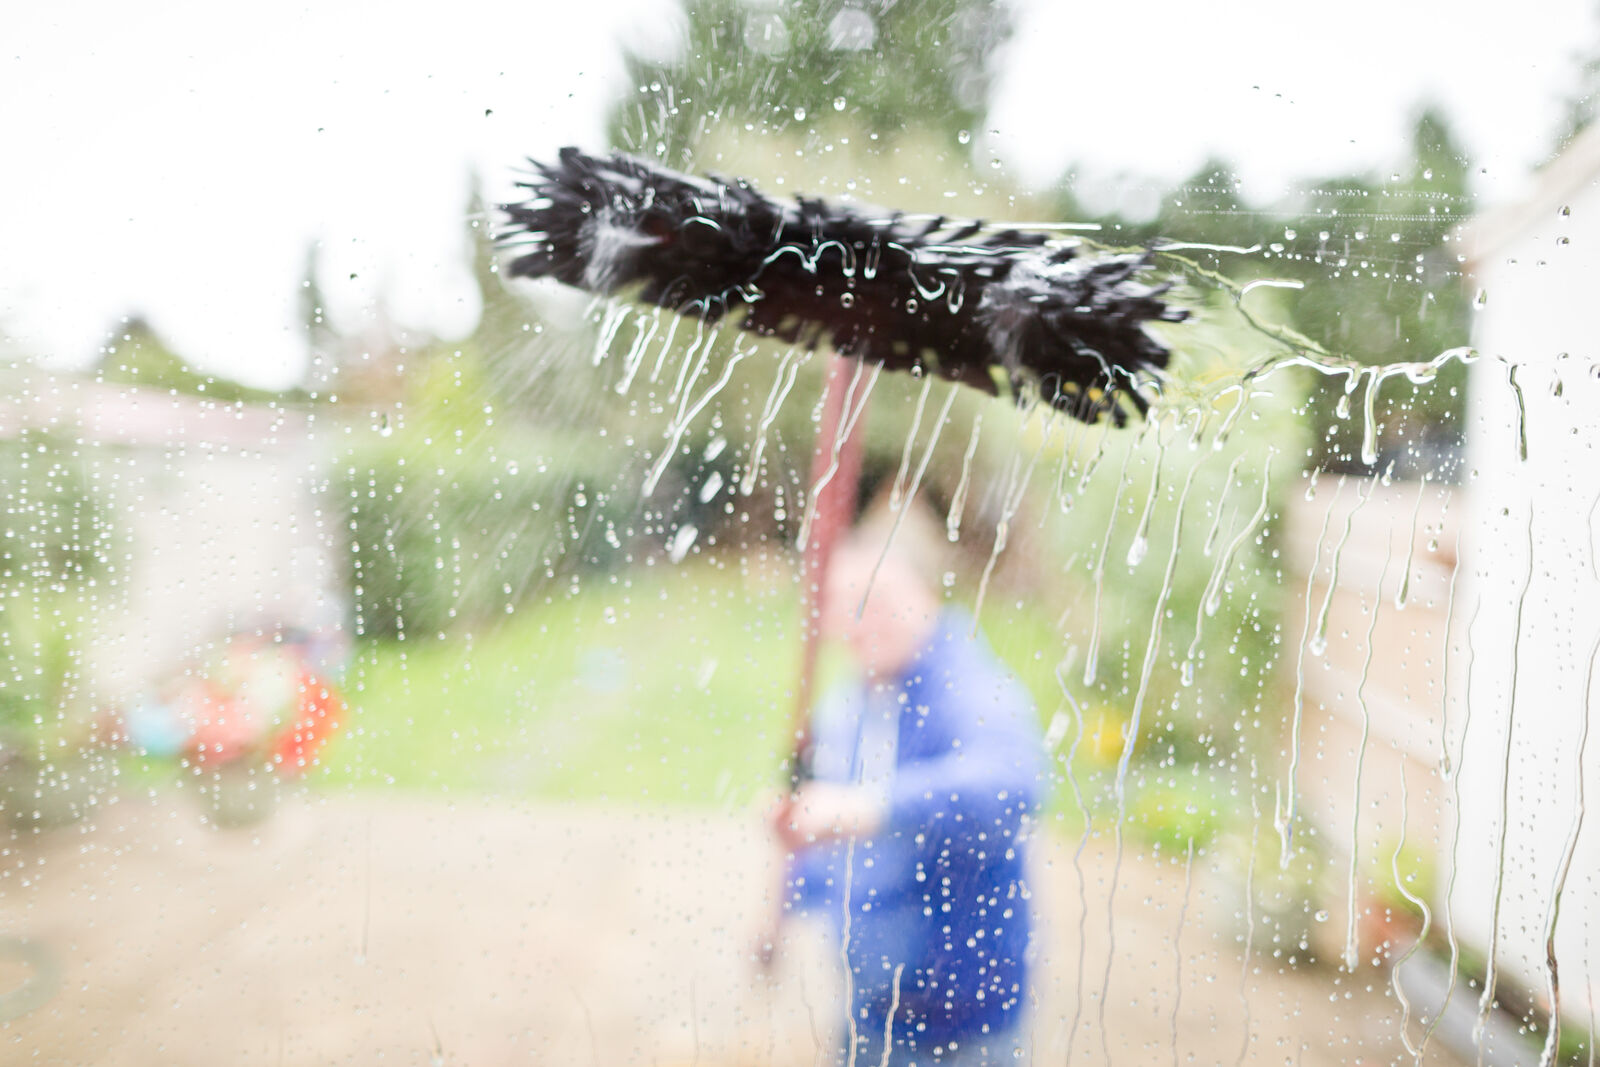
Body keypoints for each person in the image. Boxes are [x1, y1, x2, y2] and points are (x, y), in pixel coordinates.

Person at [772, 504, 1045, 1065]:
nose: (859, 622)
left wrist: (870, 808)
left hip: (963, 1023)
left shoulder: (966, 684)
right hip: (871, 1006)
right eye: (846, 607)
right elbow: (835, 838)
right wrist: (784, 899)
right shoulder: (854, 697)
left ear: (928, 595)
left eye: (879, 603)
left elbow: (1010, 784)